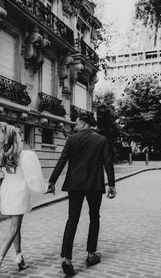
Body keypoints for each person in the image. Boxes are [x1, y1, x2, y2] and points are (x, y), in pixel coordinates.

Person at [0, 122, 45, 277]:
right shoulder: (25, 155)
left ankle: (19, 258)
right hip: (20, 191)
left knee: (16, 225)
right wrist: (44, 188)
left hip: (7, 191)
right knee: (14, 228)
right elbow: (34, 178)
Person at [46, 114, 116, 276]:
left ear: (84, 123)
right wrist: (112, 184)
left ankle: (66, 258)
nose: (75, 125)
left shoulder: (72, 139)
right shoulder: (101, 140)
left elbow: (62, 160)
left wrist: (52, 181)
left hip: (75, 184)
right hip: (94, 185)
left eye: (77, 122)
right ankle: (91, 254)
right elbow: (108, 163)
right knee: (94, 217)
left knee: (72, 218)